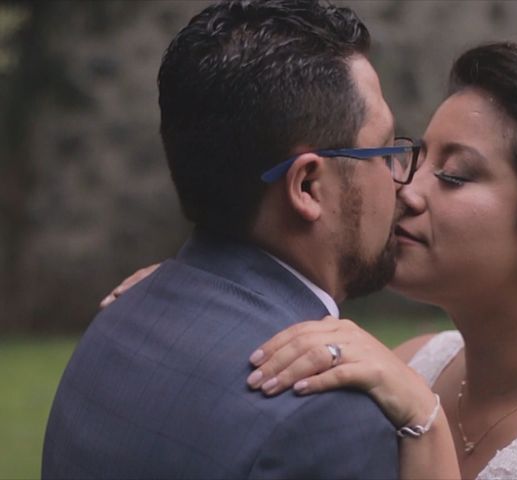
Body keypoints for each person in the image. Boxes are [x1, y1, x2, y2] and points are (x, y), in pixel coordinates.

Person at [42, 1, 445, 478]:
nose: (404, 183)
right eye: (383, 150)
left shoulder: (118, 319)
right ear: (308, 187)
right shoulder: (326, 414)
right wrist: (428, 425)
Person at [236, 42, 517, 478]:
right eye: (419, 158)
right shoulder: (413, 362)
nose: (405, 192)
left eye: (455, 175)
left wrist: (425, 431)